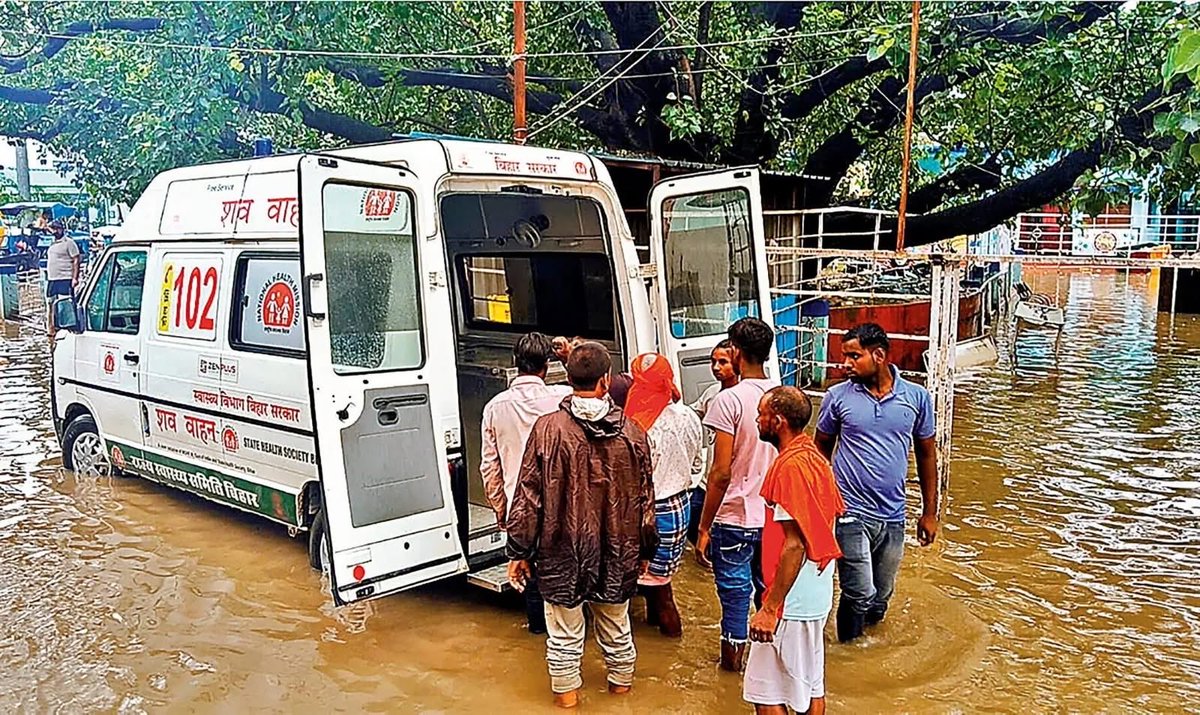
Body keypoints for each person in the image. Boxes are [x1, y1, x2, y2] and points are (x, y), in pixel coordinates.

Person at [505, 341, 658, 708]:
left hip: (560, 548)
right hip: (617, 547)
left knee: (562, 635)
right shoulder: (633, 433)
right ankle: (621, 699)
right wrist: (646, 549)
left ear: (568, 377)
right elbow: (645, 502)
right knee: (618, 628)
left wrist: (519, 551)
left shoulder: (547, 430)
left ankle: (567, 702)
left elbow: (528, 496)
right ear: (606, 380)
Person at [814, 322, 939, 643]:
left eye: (854, 356)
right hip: (848, 512)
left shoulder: (916, 397)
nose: (846, 364)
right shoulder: (837, 397)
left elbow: (927, 455)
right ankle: (850, 653)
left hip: (894, 516)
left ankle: (864, 648)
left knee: (880, 597)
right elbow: (820, 451)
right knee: (859, 591)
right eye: (845, 356)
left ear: (879, 355)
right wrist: (819, 508)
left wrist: (930, 512)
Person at [745, 386, 845, 715]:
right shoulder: (814, 457)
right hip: (815, 592)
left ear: (777, 421)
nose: (757, 420)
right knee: (809, 684)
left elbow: (795, 543)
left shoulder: (790, 468)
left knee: (767, 692)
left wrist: (770, 607)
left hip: (792, 598)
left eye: (761, 415)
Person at [695, 317, 779, 672]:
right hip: (774, 516)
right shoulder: (783, 395)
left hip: (734, 516)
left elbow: (720, 472)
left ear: (736, 352)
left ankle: (731, 674)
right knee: (769, 597)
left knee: (733, 600)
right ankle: (769, 671)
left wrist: (703, 527)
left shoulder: (727, 401)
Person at [479, 331, 572, 635]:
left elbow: (490, 467)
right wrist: (569, 358)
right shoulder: (562, 398)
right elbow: (597, 394)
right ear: (547, 364)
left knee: (529, 574)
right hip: (564, 502)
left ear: (514, 363)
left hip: (521, 505)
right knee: (565, 573)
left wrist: (501, 510)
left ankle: (538, 634)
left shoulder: (495, 407)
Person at [625, 353, 703, 638]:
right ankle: (664, 645)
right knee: (659, 584)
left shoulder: (639, 427)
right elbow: (698, 464)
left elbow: (634, 478)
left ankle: (672, 643)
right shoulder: (688, 416)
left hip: (649, 513)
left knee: (662, 594)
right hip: (680, 506)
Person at [688, 339, 739, 545]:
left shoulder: (741, 398)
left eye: (723, 362)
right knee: (693, 525)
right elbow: (691, 413)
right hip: (707, 480)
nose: (716, 367)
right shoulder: (711, 393)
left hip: (730, 481)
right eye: (713, 361)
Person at [44, 219, 80, 347]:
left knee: (66, 303)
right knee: (50, 303)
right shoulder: (51, 243)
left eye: (57, 229)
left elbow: (76, 259)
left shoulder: (69, 243)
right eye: (53, 229)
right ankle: (51, 328)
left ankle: (67, 327)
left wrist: (75, 278)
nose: (55, 231)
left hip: (65, 277)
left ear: (61, 229)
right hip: (52, 278)